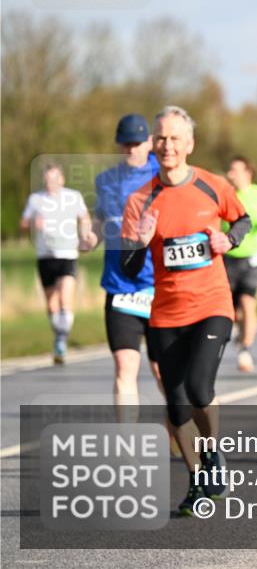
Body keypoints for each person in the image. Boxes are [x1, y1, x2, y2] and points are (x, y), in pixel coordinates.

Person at [121, 105, 251, 515]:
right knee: (176, 405)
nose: (167, 145)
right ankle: (199, 481)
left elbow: (243, 221)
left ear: (189, 144)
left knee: (199, 387)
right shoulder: (140, 200)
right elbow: (127, 267)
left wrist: (228, 240)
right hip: (165, 313)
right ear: (152, 145)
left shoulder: (212, 185)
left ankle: (212, 454)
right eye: (161, 137)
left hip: (212, 303)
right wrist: (139, 244)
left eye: (175, 137)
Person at [93, 114, 162, 411]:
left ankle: (180, 428)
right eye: (126, 144)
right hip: (120, 286)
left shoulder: (166, 176)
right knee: (124, 367)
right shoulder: (106, 181)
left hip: (160, 287)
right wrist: (87, 237)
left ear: (149, 142)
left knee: (163, 372)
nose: (132, 149)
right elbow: (99, 224)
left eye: (137, 143)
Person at [20, 163, 98, 364]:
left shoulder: (73, 197)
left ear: (61, 180)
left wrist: (86, 234)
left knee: (64, 298)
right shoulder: (36, 199)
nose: (50, 183)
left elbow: (84, 218)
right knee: (52, 304)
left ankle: (61, 341)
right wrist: (33, 222)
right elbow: (23, 224)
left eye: (54, 179)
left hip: (67, 253)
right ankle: (59, 336)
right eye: (47, 180)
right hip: (45, 255)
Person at [223, 156, 257, 373]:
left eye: (234, 170)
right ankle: (241, 336)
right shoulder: (226, 194)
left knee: (248, 302)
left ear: (247, 172)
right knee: (233, 311)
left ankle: (245, 348)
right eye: (229, 170)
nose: (230, 174)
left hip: (254, 257)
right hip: (229, 258)